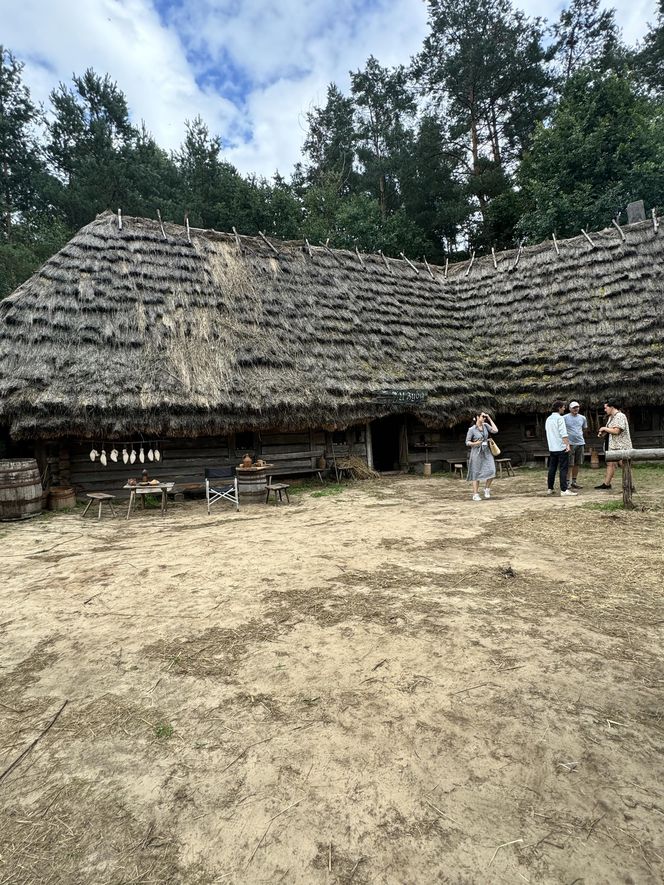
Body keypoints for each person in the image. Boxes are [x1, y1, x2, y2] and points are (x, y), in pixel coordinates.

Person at [595, 401, 633, 489]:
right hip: (613, 445)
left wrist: (604, 428)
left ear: (612, 407)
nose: (605, 410)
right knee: (610, 463)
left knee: (624, 465)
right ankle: (606, 484)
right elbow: (611, 430)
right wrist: (603, 433)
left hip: (621, 445)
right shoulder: (611, 417)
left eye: (606, 407)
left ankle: (630, 485)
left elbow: (616, 431)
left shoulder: (620, 416)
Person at [545, 401, 577, 496]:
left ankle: (550, 488)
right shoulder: (560, 418)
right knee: (563, 469)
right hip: (560, 447)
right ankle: (564, 490)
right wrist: (567, 445)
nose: (564, 409)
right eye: (563, 407)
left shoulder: (548, 419)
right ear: (559, 408)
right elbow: (563, 433)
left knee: (552, 468)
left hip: (552, 448)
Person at [466, 412, 499, 501]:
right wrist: (475, 443)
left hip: (487, 451)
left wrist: (489, 418)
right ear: (477, 417)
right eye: (482, 416)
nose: (484, 418)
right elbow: (467, 442)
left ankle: (486, 489)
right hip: (476, 452)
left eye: (485, 417)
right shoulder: (472, 429)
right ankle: (475, 494)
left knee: (492, 470)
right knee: (476, 473)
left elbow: (495, 430)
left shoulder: (486, 425)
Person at [563, 401, 588, 489]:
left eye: (577, 407)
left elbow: (584, 429)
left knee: (577, 463)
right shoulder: (564, 418)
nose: (576, 409)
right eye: (573, 407)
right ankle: (567, 482)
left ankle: (574, 481)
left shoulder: (582, 418)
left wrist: (579, 436)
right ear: (569, 409)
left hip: (580, 443)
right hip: (570, 444)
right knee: (570, 464)